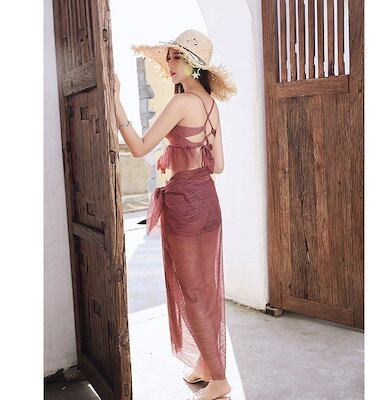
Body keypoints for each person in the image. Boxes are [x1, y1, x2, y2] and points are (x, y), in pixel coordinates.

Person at [114, 29, 237, 400]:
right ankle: (205, 365)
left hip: (185, 204)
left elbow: (139, 148)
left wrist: (116, 102)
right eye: (169, 56)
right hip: (208, 201)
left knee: (192, 292)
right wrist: (189, 151)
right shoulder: (210, 104)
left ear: (194, 64)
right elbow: (218, 165)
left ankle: (219, 380)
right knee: (205, 289)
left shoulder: (182, 102)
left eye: (177, 57)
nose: (170, 63)